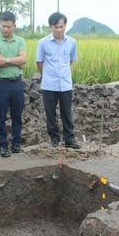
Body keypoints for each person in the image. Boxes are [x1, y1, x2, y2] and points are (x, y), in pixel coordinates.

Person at [36, 12, 81, 149]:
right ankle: (54, 139)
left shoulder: (72, 42)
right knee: (51, 113)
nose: (59, 30)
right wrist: (47, 75)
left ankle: (69, 139)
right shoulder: (43, 43)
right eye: (56, 27)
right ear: (51, 27)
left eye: (61, 27)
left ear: (65, 26)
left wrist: (63, 73)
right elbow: (39, 62)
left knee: (66, 112)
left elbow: (71, 60)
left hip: (66, 84)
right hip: (49, 84)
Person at [0, 11, 27, 157]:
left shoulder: (20, 41)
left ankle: (16, 144)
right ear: (0, 25)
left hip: (17, 83)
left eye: (8, 27)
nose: (5, 29)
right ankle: (3, 145)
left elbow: (23, 60)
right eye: (3, 26)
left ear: (14, 26)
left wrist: (6, 60)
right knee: (1, 115)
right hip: (1, 84)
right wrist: (15, 61)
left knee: (17, 115)